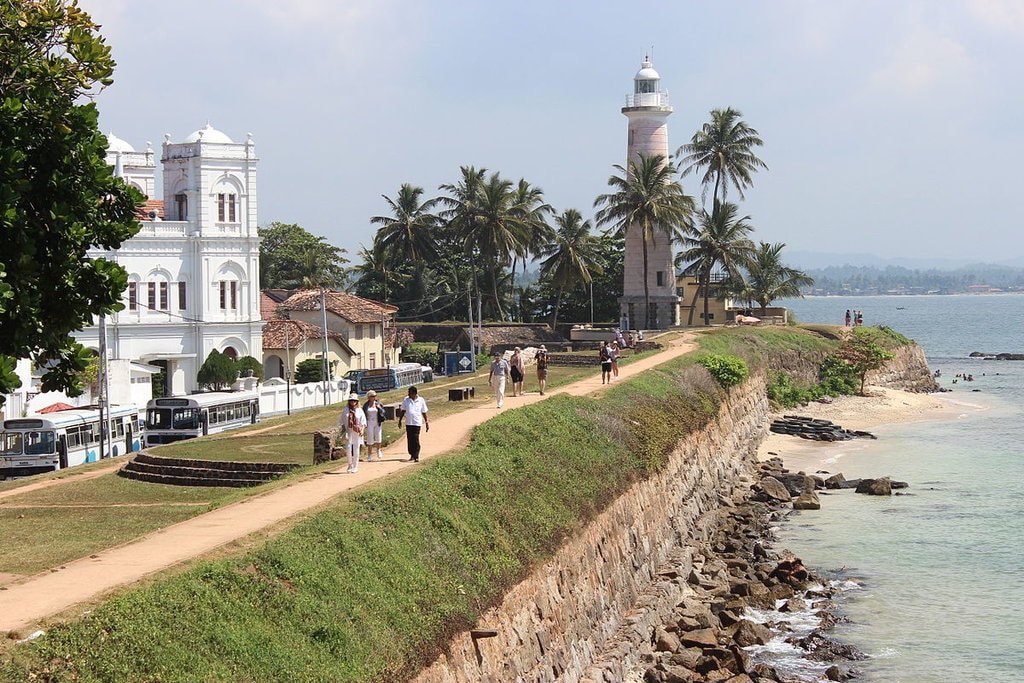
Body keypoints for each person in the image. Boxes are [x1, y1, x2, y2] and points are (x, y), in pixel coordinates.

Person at [397, 385, 428, 463]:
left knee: (415, 438)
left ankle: (416, 455)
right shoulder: (406, 400)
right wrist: (400, 421)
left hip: (417, 423)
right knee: (410, 439)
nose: (408, 395)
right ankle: (412, 455)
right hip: (409, 423)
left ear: (414, 394)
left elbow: (424, 412)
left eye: (410, 393)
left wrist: (426, 422)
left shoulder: (421, 400)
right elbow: (403, 411)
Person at [340, 392, 366, 473]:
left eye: (354, 401)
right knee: (348, 448)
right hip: (349, 431)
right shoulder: (345, 410)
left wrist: (362, 430)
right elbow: (341, 421)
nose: (353, 402)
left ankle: (355, 465)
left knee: (356, 448)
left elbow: (363, 421)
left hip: (357, 431)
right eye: (351, 401)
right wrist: (344, 430)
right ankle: (350, 464)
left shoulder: (359, 410)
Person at [362, 390, 386, 461]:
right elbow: (363, 414)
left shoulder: (378, 403)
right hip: (369, 422)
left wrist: (379, 408)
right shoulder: (366, 405)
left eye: (374, 396)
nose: (373, 397)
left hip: (377, 422)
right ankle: (369, 455)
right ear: (369, 397)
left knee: (378, 436)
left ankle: (378, 450)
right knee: (370, 438)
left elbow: (383, 412)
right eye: (372, 396)